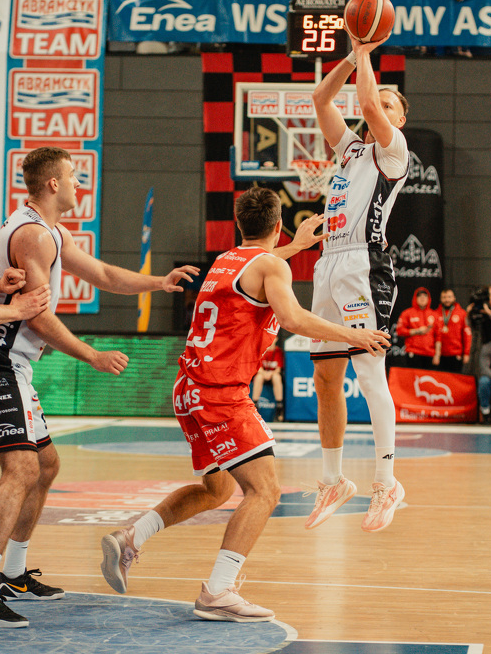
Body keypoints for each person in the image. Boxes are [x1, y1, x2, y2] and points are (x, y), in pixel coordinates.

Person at [99, 193, 389, 622]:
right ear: (278, 226)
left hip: (188, 388)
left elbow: (262, 266)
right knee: (265, 490)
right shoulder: (271, 267)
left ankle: (131, 537)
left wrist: (295, 247)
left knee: (216, 490)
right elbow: (292, 319)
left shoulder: (226, 260)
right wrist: (354, 334)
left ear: (239, 225)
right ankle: (218, 591)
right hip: (220, 392)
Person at [0, 146, 198, 630]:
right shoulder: (34, 235)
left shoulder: (51, 232)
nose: (80, 183)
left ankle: (13, 574)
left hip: (13, 364)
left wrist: (158, 282)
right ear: (53, 184)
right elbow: (37, 317)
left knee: (45, 465)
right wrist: (92, 355)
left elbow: (101, 274)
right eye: (74, 176)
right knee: (21, 468)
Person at [306, 30, 408, 533]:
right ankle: (333, 480)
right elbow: (321, 98)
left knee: (369, 374)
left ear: (399, 120)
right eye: (379, 102)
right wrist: (352, 56)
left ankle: (387, 482)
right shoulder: (350, 151)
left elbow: (366, 103)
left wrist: (367, 52)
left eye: (391, 105)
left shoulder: (394, 152)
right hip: (328, 262)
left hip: (365, 266)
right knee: (327, 376)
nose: (378, 108)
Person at [433, 288, 471, 373]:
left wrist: (466, 353)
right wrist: (435, 354)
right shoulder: (435, 314)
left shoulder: (462, 314)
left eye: (449, 297)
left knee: (454, 379)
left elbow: (467, 335)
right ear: (440, 299)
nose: (447, 300)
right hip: (439, 355)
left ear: (454, 298)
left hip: (456, 353)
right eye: (444, 297)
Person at [395, 287, 436, 362]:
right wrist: (417, 331)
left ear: (429, 298)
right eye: (419, 296)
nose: (422, 298)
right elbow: (399, 331)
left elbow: (439, 336)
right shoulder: (407, 313)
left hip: (430, 354)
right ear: (415, 298)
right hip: (413, 352)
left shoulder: (434, 314)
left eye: (425, 296)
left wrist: (437, 355)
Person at [252, 337, 284, 421]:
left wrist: (270, 374)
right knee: (258, 377)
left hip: (273, 375)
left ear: (276, 339)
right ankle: (255, 404)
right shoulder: (262, 350)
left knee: (277, 377)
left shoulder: (278, 351)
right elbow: (258, 368)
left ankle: (279, 406)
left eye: (273, 338)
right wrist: (264, 373)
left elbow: (278, 369)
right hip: (263, 374)